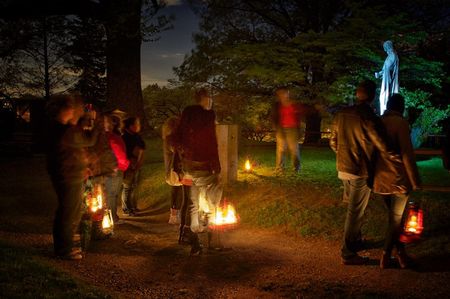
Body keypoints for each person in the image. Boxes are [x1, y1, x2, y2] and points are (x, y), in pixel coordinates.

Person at [330, 80, 400, 265]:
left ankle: (355, 241)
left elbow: (333, 142)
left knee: (352, 207)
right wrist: (395, 156)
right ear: (373, 96)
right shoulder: (368, 116)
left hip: (343, 167)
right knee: (355, 211)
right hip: (359, 170)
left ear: (357, 94)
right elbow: (381, 143)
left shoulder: (342, 113)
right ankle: (348, 253)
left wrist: (342, 155)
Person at [45, 94, 101, 260]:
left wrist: (83, 166)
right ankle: (64, 249)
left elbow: (72, 152)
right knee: (69, 211)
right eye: (72, 107)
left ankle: (64, 246)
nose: (75, 111)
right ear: (64, 109)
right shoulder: (63, 130)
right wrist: (95, 122)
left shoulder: (60, 129)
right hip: (68, 176)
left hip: (69, 174)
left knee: (68, 210)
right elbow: (88, 141)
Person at [373, 94, 420, 269]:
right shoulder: (401, 124)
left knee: (395, 219)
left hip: (380, 178)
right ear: (401, 107)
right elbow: (407, 153)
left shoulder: (378, 122)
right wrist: (414, 180)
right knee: (395, 220)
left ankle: (401, 254)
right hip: (398, 178)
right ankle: (385, 255)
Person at [176, 88, 222, 254]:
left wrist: (181, 160)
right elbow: (212, 141)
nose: (210, 101)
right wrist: (217, 166)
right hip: (204, 165)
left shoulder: (187, 113)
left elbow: (178, 136)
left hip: (188, 166)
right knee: (212, 200)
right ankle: (213, 240)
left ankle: (195, 243)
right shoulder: (209, 115)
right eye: (209, 98)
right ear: (204, 99)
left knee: (193, 204)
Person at [162, 116, 192, 244]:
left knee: (184, 199)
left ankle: (182, 227)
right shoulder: (173, 139)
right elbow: (177, 156)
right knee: (184, 199)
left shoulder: (170, 138)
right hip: (181, 172)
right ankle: (181, 223)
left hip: (179, 171)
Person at [104, 113, 130, 224]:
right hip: (115, 168)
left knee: (110, 194)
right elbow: (119, 153)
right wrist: (125, 165)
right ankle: (112, 218)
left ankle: (109, 217)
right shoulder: (112, 137)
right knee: (112, 194)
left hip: (110, 168)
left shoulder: (107, 136)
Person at [271, 86, 302, 173]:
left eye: (284, 93)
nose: (282, 95)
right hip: (281, 129)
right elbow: (274, 116)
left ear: (288, 93)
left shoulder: (294, 104)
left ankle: (296, 168)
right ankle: (279, 168)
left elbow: (298, 116)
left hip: (292, 129)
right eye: (280, 93)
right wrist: (275, 126)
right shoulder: (277, 105)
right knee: (280, 149)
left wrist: (298, 129)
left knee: (294, 149)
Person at [121, 117, 146, 216]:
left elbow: (142, 146)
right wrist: (130, 163)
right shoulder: (124, 137)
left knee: (134, 186)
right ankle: (126, 208)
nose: (139, 126)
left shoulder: (136, 136)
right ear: (131, 126)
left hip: (137, 164)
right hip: (128, 165)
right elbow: (124, 152)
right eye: (137, 124)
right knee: (127, 187)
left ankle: (133, 206)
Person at [375, 40, 399, 115]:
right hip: (387, 79)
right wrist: (380, 73)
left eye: (385, 48)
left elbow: (388, 68)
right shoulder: (392, 55)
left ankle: (384, 114)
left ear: (388, 47)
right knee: (383, 97)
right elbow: (387, 68)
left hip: (388, 81)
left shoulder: (392, 55)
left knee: (384, 97)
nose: (385, 50)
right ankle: (384, 113)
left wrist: (380, 73)